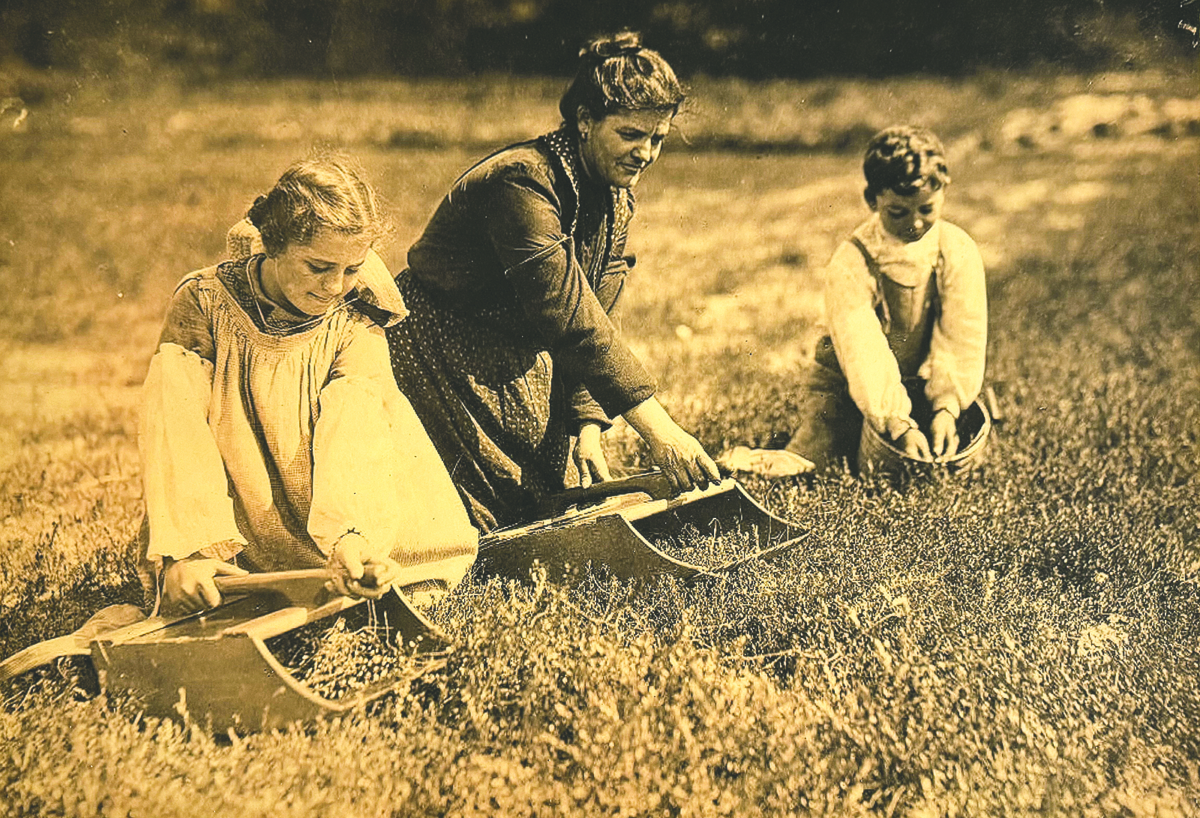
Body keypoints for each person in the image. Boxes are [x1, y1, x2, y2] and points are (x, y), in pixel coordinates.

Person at [386, 32, 721, 532]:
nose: (645, 153)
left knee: (552, 501)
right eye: (630, 134)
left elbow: (596, 314)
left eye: (658, 139)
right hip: (434, 348)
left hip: (508, 355)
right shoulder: (522, 183)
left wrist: (587, 425)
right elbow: (568, 318)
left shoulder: (615, 199)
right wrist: (660, 430)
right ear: (585, 120)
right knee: (478, 519)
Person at [139, 156, 478, 614]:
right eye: (318, 267)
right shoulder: (204, 302)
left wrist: (351, 537)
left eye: (352, 269)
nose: (335, 285)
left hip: (339, 506)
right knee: (218, 594)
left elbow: (356, 428)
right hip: (248, 517)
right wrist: (190, 550)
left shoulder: (354, 318)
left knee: (385, 579)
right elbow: (177, 424)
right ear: (273, 245)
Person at [781, 125, 988, 471]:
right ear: (872, 200)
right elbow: (863, 350)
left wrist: (947, 407)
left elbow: (962, 335)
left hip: (915, 380)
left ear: (944, 190)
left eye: (926, 209)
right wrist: (896, 421)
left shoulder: (956, 249)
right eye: (898, 212)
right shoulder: (852, 262)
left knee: (961, 451)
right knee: (816, 458)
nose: (915, 223)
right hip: (848, 380)